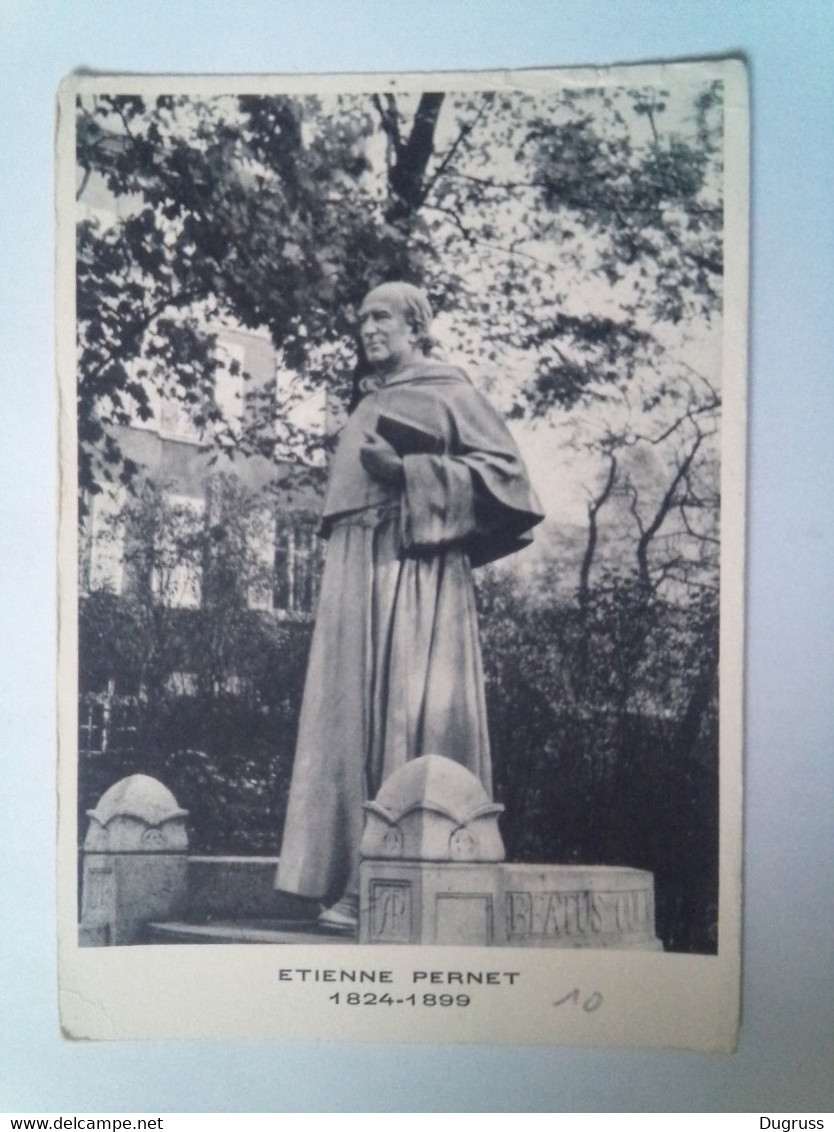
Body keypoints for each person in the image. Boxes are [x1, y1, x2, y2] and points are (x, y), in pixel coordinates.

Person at [275, 282, 543, 932]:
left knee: (404, 706)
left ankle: (389, 875)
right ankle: (341, 875)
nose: (367, 327)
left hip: (413, 570)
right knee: (346, 716)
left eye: (382, 316)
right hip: (354, 565)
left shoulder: (449, 389)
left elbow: (510, 480)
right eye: (361, 316)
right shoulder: (368, 401)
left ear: (417, 326)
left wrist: (409, 474)